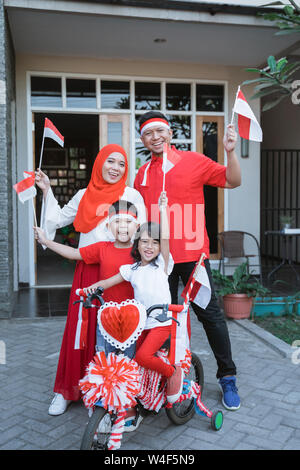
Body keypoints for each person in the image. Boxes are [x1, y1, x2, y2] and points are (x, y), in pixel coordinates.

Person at [134, 111, 241, 411]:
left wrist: (230, 152)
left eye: (159, 131)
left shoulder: (194, 161)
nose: (155, 137)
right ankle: (166, 380)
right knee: (160, 321)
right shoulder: (141, 174)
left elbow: (233, 180)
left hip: (193, 256)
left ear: (169, 133)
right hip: (160, 260)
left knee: (210, 317)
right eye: (148, 133)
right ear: (142, 139)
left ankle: (228, 377)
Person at [35, 144, 146, 415]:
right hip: (88, 270)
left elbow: (143, 232)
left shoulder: (131, 194)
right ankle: (68, 389)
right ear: (99, 163)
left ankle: (119, 390)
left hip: (121, 274)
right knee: (79, 331)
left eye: (121, 163)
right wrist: (47, 190)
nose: (115, 168)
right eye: (110, 161)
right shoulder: (84, 194)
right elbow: (58, 218)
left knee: (119, 333)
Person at [86, 191, 184, 405]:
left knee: (141, 357)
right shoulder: (131, 269)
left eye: (154, 243)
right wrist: (90, 289)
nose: (150, 247)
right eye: (145, 242)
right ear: (137, 244)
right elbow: (108, 282)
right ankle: (139, 400)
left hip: (161, 323)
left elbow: (166, 237)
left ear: (159, 247)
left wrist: (163, 210)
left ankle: (172, 372)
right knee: (133, 363)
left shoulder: (162, 266)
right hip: (140, 324)